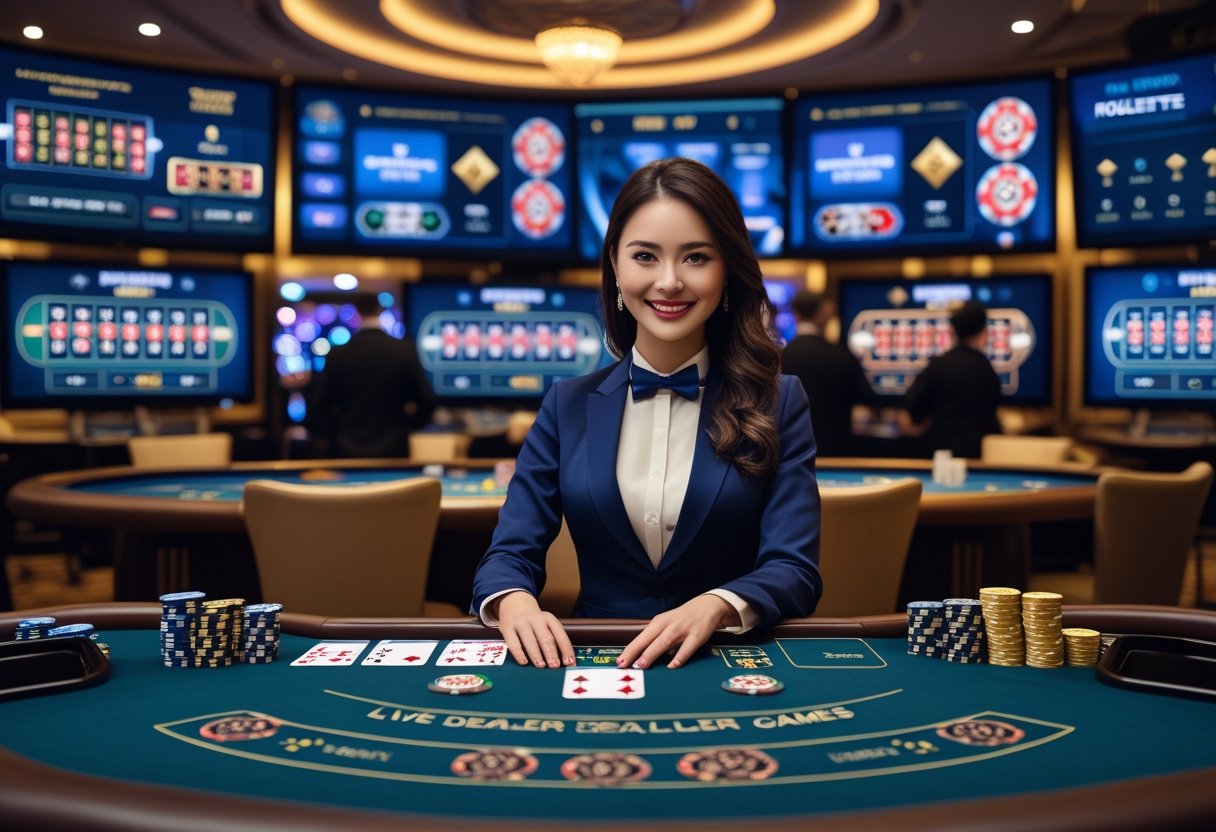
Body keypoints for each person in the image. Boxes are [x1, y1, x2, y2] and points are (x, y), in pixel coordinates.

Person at [472, 158, 822, 672]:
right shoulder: (566, 404)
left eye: (696, 257)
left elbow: (795, 569)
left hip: (727, 663)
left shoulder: (781, 401)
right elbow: (509, 553)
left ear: (727, 269)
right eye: (645, 256)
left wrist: (717, 605)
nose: (669, 281)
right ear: (616, 266)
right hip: (596, 660)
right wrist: (514, 601)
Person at [306, 295, 436, 458]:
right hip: (393, 451)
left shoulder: (338, 354)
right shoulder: (404, 351)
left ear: (356, 313)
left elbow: (319, 404)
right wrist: (408, 425)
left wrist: (326, 436)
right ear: (380, 310)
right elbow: (427, 400)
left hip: (346, 451)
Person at [780, 290, 882, 457]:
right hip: (835, 454)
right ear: (824, 313)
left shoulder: (777, 359)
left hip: (788, 455)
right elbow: (871, 401)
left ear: (796, 314)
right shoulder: (842, 357)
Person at [903, 299, 1002, 459]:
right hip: (978, 456)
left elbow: (913, 409)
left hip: (939, 456)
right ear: (984, 331)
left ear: (952, 331)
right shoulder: (987, 369)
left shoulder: (937, 366)